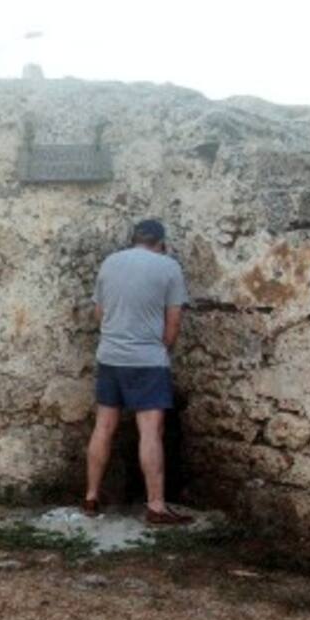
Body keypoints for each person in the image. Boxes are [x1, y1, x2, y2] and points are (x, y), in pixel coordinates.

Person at [83, 219, 192, 525]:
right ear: (161, 242)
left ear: (133, 239)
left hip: (110, 356)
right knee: (150, 431)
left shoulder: (110, 263)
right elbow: (173, 322)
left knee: (103, 426)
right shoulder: (168, 267)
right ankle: (156, 505)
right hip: (147, 360)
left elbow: (99, 313)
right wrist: (160, 349)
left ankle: (91, 497)